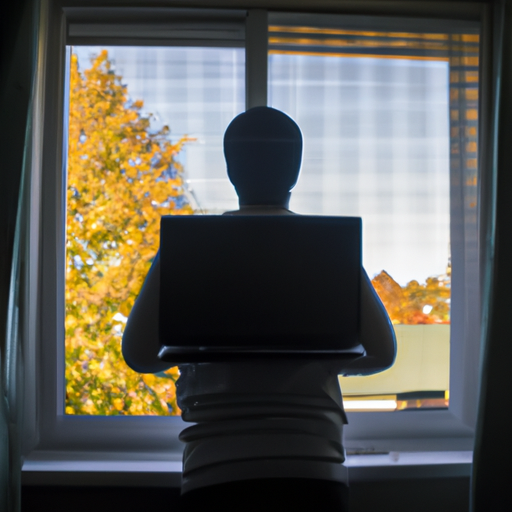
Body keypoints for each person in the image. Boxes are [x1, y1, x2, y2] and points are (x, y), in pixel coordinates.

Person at [122, 106, 396, 511]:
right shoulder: (328, 252)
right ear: (296, 170)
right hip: (314, 467)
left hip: (215, 468)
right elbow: (383, 352)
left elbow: (138, 354)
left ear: (231, 170)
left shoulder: (187, 252)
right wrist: (321, 359)